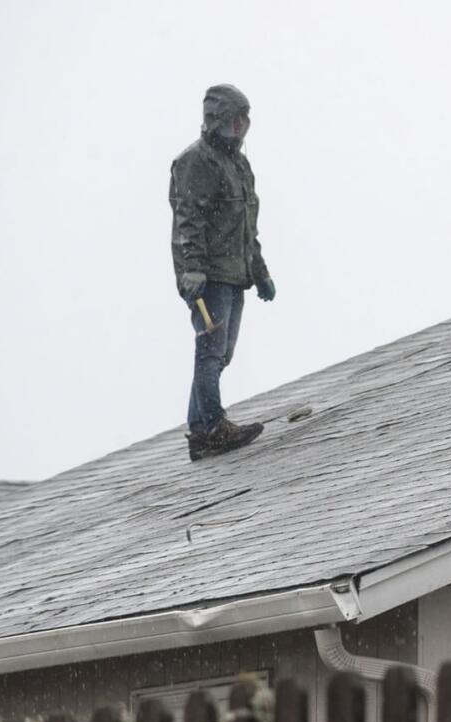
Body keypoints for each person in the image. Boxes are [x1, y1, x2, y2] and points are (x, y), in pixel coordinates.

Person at [169, 84, 276, 461]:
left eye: (245, 119)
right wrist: (193, 270)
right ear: (219, 120)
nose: (242, 126)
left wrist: (259, 271)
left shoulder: (239, 164)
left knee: (221, 353)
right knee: (210, 350)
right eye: (235, 119)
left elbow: (247, 225)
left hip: (234, 274)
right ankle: (213, 426)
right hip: (209, 277)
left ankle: (200, 430)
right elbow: (190, 220)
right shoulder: (197, 161)